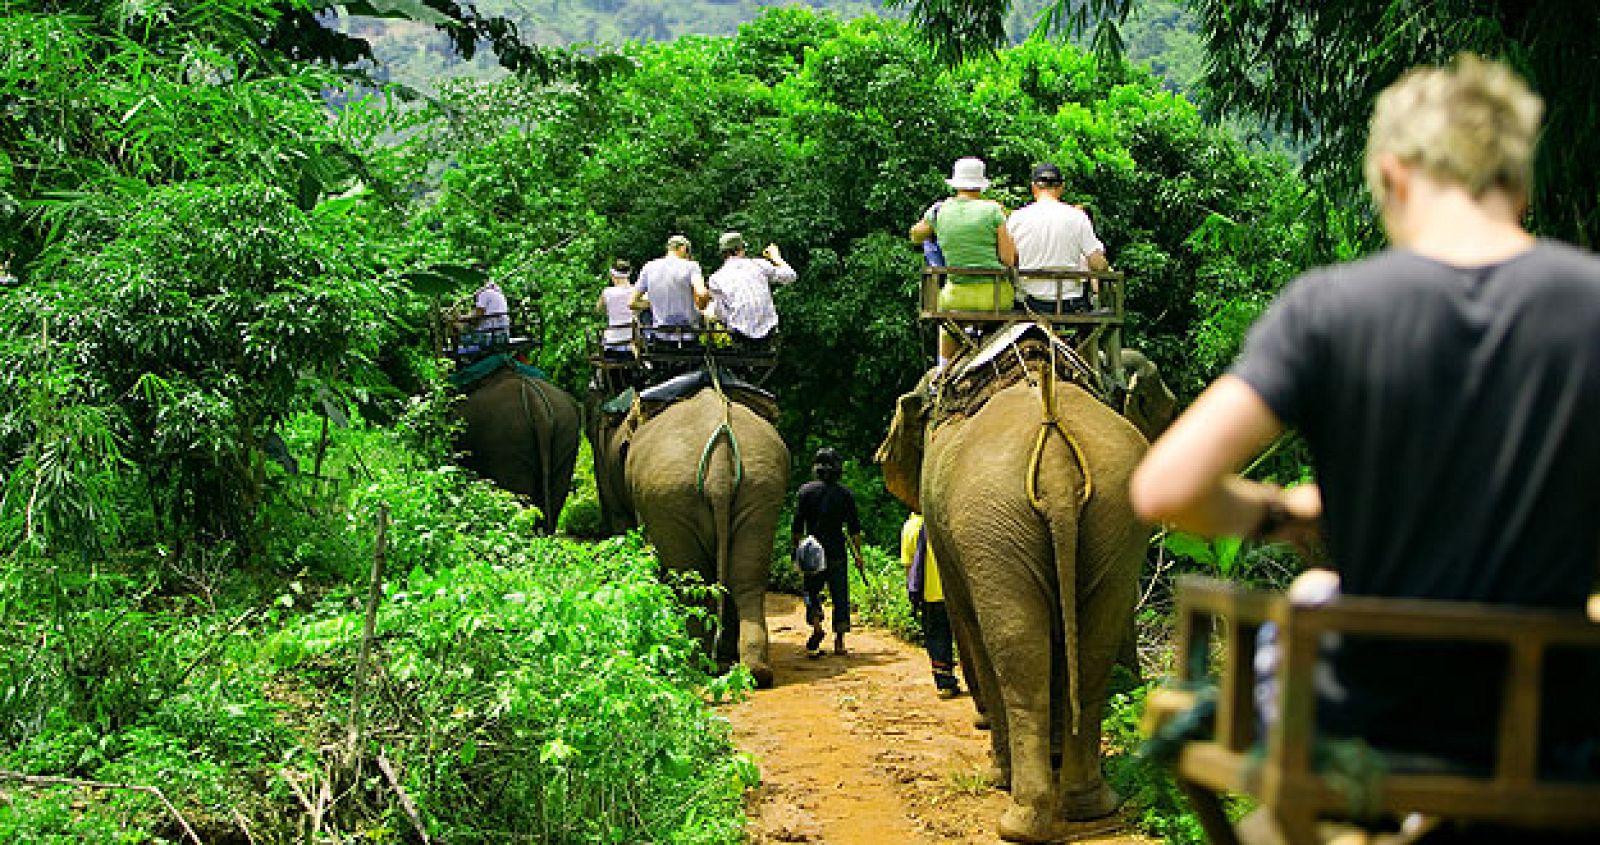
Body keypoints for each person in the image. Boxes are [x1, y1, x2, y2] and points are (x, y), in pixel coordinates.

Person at [1130, 53, 1600, 823]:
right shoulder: (1589, 300)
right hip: (1557, 728)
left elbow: (1163, 487)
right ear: (1517, 180)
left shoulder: (1331, 308)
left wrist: (1277, 509)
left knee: (1313, 598)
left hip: (1371, 723)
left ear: (1395, 174)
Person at [909, 157, 1017, 364]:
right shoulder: (993, 210)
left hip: (955, 297)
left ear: (956, 183)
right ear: (981, 184)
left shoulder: (940, 210)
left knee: (946, 329)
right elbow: (1008, 259)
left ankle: (942, 374)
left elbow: (916, 235)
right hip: (996, 298)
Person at [792, 447, 867, 657]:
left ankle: (816, 625)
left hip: (812, 550)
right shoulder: (845, 495)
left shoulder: (805, 492)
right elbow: (854, 528)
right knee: (840, 593)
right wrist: (859, 555)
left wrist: (795, 548)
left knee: (811, 590)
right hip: (836, 551)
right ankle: (840, 641)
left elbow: (797, 526)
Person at [1007, 162, 1110, 314]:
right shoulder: (1077, 217)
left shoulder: (1017, 218)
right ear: (1061, 187)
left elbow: (1008, 259)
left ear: (1034, 187)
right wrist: (1106, 268)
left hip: (1027, 302)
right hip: (1068, 303)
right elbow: (1097, 264)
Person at [901, 511, 961, 698]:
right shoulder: (949, 519)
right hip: (957, 593)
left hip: (931, 593)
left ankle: (945, 683)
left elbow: (908, 565)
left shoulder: (911, 527)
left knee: (937, 638)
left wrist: (912, 592)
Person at [700, 232, 796, 347]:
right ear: (741, 249)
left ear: (723, 254)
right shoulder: (759, 264)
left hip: (740, 334)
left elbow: (722, 314)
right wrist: (776, 257)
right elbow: (791, 276)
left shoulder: (716, 278)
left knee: (712, 310)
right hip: (768, 331)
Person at [631, 235, 707, 343]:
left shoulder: (649, 267)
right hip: (687, 336)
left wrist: (655, 303)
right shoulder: (691, 266)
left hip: (660, 336)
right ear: (683, 248)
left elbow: (632, 303)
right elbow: (702, 293)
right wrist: (703, 306)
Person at [595, 258, 636, 358]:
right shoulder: (636, 291)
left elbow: (598, 309)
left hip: (612, 342)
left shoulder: (607, 292)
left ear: (613, 276)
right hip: (632, 341)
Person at [458, 277, 510, 353]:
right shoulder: (498, 293)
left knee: (462, 337)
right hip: (503, 334)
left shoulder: (485, 294)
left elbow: (476, 318)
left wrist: (461, 319)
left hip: (491, 336)